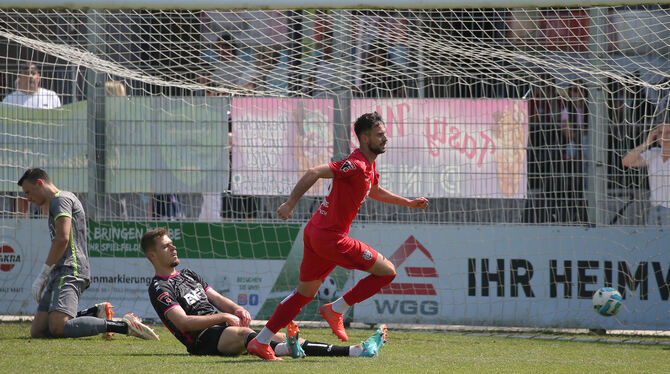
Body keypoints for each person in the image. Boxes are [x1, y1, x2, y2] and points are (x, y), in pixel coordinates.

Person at [247, 112, 428, 360]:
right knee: (388, 271)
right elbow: (314, 171)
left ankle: (261, 340)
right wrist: (290, 204)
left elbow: (374, 190)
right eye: (380, 134)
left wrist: (408, 203)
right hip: (331, 238)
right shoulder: (354, 165)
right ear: (365, 139)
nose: (385, 138)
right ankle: (336, 308)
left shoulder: (368, 165)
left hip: (315, 234)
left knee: (304, 294)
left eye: (385, 133)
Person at [140, 227, 387, 359]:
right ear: (152, 255)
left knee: (273, 337)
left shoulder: (188, 274)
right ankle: (288, 349)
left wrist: (235, 309)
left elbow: (216, 298)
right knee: (248, 335)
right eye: (166, 246)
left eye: (172, 243)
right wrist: (224, 318)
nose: (173, 247)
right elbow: (183, 323)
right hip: (201, 340)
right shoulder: (159, 288)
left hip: (222, 331)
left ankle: (356, 351)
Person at [18, 168, 159, 340]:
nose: (28, 198)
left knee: (58, 327)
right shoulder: (59, 200)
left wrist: (42, 275)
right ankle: (93, 312)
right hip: (59, 271)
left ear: (39, 183)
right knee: (38, 331)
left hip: (71, 269)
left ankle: (124, 326)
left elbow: (62, 239)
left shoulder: (60, 199)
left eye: (28, 192)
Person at [622, 124, 670, 226]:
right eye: (660, 133)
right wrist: (646, 143)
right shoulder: (653, 153)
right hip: (656, 209)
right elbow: (627, 162)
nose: (664, 137)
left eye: (668, 133)